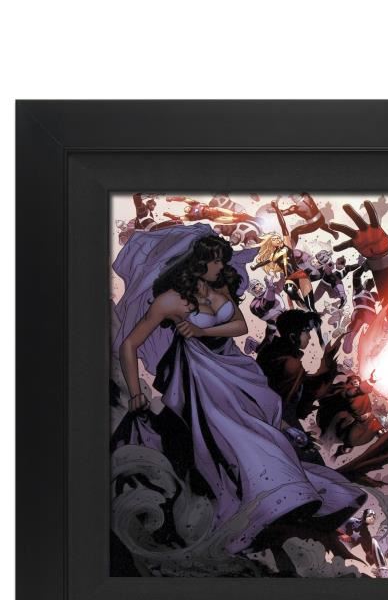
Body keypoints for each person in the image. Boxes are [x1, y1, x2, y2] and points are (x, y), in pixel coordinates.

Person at [112, 224, 364, 555]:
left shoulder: (220, 288)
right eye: (215, 261)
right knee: (234, 434)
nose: (221, 266)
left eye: (221, 260)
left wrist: (202, 332)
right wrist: (135, 392)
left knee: (262, 429)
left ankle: (288, 495)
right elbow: (129, 345)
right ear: (197, 262)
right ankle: (268, 503)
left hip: (235, 369)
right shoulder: (169, 300)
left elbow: (240, 326)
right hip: (201, 375)